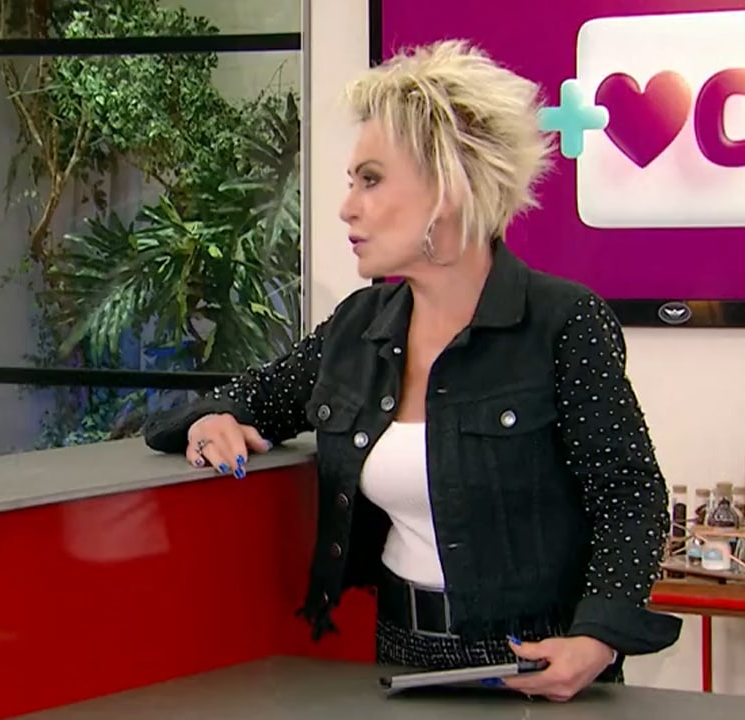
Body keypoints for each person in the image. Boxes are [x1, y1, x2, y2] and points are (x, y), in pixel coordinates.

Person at [142, 39, 681, 702]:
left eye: (370, 180)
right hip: (400, 654)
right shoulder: (359, 327)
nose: (347, 206)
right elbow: (250, 398)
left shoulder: (563, 323)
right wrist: (213, 420)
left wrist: (596, 639)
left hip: (536, 665)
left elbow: (630, 497)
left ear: (448, 187)